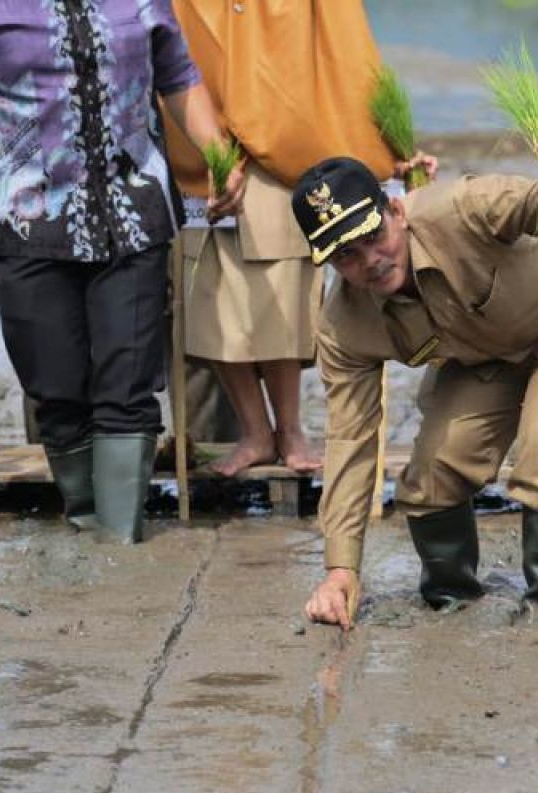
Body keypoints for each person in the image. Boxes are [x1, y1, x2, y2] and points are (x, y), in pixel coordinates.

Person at [295, 132, 538, 627]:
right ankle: (451, 601)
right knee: (431, 474)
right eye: (345, 255)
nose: (369, 261)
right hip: (492, 349)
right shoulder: (343, 323)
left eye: (373, 236)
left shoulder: (460, 206)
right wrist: (340, 568)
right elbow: (350, 438)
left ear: (396, 212)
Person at [0, 1, 242, 542]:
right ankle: (86, 517)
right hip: (29, 220)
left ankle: (119, 538)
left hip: (135, 216)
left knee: (127, 386)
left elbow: (178, 75)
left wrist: (218, 154)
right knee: (54, 387)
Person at [164, 0, 419, 477]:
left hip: (289, 145)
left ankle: (291, 430)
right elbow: (169, 51)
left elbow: (350, 57)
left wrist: (391, 149)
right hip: (207, 148)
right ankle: (254, 431)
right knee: (212, 299)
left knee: (281, 292)